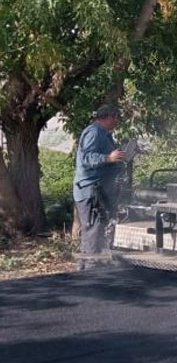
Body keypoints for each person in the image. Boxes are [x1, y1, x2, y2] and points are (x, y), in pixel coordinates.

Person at [73, 104, 125, 269]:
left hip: (98, 189)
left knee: (95, 230)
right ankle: (90, 271)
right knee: (93, 230)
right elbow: (87, 158)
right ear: (109, 117)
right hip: (90, 189)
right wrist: (109, 158)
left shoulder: (103, 134)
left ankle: (86, 268)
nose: (117, 122)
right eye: (116, 118)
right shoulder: (94, 132)